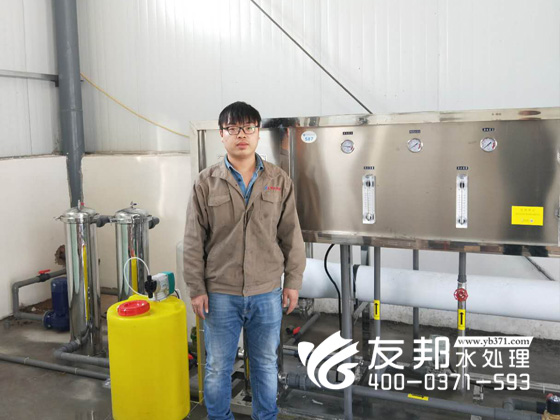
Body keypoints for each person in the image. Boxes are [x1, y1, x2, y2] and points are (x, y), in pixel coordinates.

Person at [183, 101, 306, 420]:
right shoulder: (206, 182)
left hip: (266, 291)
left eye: (249, 128)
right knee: (217, 367)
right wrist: (197, 288)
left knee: (265, 364)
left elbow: (291, 236)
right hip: (220, 293)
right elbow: (194, 240)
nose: (242, 135)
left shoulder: (279, 180)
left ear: (258, 133)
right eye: (233, 128)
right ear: (221, 134)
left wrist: (293, 282)